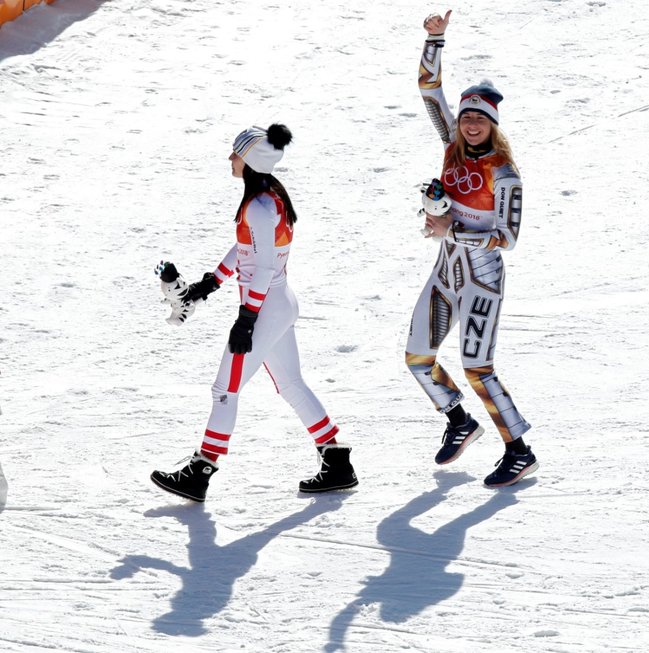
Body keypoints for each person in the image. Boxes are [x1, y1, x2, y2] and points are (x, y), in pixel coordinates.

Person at [151, 124, 357, 501]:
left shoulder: (260, 206)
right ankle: (337, 462)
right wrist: (211, 282)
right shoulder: (268, 197)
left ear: (249, 160)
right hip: (277, 305)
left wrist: (247, 319)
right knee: (291, 384)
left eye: (235, 154)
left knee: (224, 390)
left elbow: (261, 268)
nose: (230, 159)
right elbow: (246, 251)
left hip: (265, 309)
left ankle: (200, 471)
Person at [406, 9, 538, 487]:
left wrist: (450, 230)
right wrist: (435, 40)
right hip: (447, 272)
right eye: (466, 118)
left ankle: (519, 450)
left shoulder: (505, 172)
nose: (470, 125)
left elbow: (508, 237)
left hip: (482, 278)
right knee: (418, 357)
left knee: (478, 367)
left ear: (493, 123)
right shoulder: (450, 146)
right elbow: (428, 90)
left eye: (480, 118)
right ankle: (459, 421)